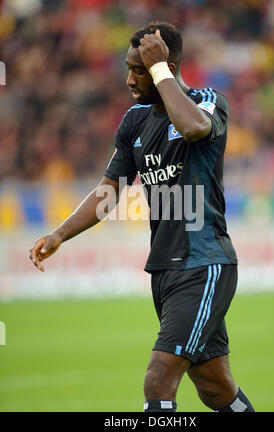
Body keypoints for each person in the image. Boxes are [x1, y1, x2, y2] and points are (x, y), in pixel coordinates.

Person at [30, 21, 255, 413]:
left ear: (164, 67)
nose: (130, 79)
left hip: (204, 263)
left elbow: (193, 128)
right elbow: (108, 191)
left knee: (158, 379)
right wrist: (60, 234)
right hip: (165, 270)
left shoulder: (208, 101)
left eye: (140, 69)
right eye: (130, 68)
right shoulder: (134, 121)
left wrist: (160, 70)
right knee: (215, 387)